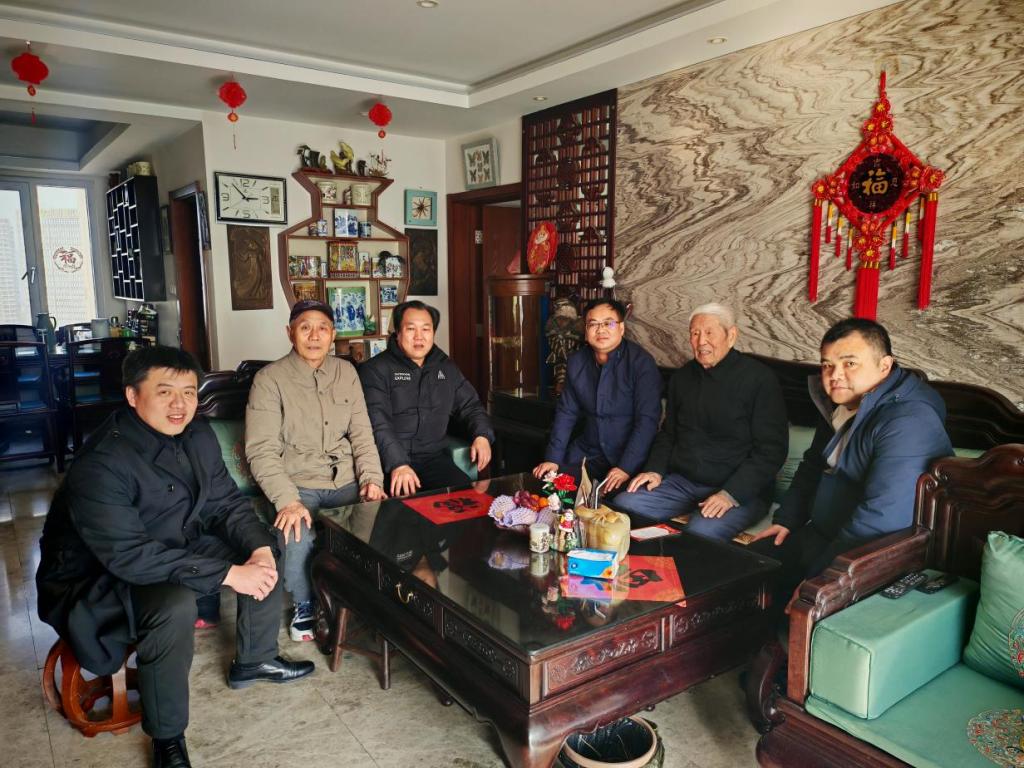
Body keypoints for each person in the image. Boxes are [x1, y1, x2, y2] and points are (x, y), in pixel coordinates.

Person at [36, 346, 314, 768]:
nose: (180, 404)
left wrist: (257, 551)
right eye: (164, 392)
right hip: (99, 577)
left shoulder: (197, 434)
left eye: (188, 392)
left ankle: (255, 659)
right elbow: (131, 557)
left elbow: (226, 503)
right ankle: (167, 738)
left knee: (265, 546)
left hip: (173, 545)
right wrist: (228, 574)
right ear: (133, 395)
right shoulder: (101, 463)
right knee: (173, 604)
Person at [750, 318, 953, 608]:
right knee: (753, 566)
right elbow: (813, 464)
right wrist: (787, 519)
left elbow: (881, 517)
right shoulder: (843, 403)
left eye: (850, 363)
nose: (835, 375)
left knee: (796, 602)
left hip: (877, 553)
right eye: (827, 365)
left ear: (884, 365)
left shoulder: (909, 420)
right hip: (825, 532)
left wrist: (823, 577)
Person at [245, 299, 386, 642]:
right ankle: (305, 604)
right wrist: (287, 501)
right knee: (297, 532)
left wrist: (372, 479)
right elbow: (261, 450)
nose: (314, 336)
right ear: (290, 332)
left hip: (345, 479)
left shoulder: (347, 373)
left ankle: (358, 599)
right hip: (297, 482)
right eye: (305, 327)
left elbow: (362, 433)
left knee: (379, 523)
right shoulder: (269, 379)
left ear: (333, 334)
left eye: (322, 328)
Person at [613, 303, 788, 540]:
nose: (701, 341)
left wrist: (730, 494)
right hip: (683, 483)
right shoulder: (682, 377)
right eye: (695, 333)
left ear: (731, 335)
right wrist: (655, 470)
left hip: (738, 488)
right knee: (625, 505)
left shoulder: (760, 380)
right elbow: (668, 434)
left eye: (709, 333)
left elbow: (771, 451)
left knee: (700, 533)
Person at [359, 300, 494, 497]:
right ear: (397, 333)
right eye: (411, 329)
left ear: (433, 333)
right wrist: (398, 463)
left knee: (467, 500)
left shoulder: (446, 367)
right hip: (388, 463)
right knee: (402, 510)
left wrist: (482, 435)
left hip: (433, 460)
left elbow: (471, 406)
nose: (419, 336)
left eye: (426, 329)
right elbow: (378, 423)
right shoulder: (375, 370)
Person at [532, 298, 662, 493]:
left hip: (628, 456)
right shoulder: (576, 362)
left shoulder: (641, 363)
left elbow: (647, 421)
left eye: (609, 323)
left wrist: (625, 467)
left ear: (621, 328)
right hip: (588, 453)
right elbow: (566, 413)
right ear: (586, 331)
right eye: (593, 324)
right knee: (550, 488)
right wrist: (553, 459)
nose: (601, 330)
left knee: (617, 502)